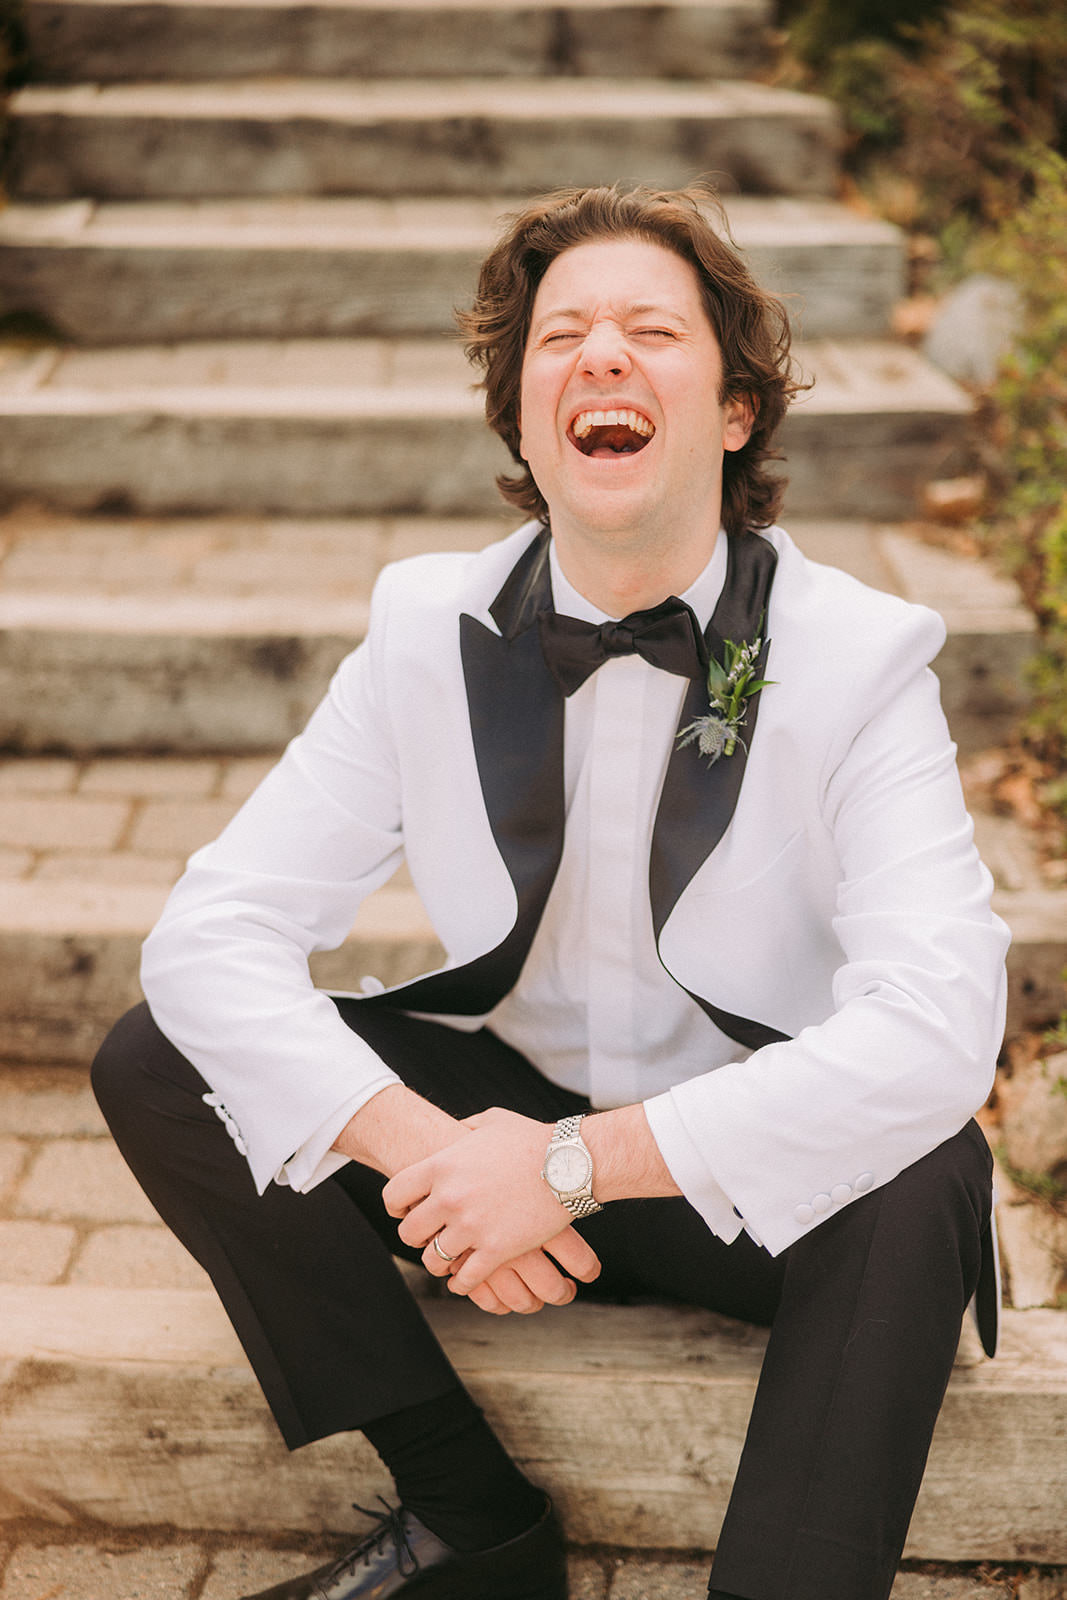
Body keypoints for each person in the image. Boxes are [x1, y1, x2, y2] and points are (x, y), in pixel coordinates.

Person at [91, 182, 1009, 1600]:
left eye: (653, 330)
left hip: (738, 1176)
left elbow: (941, 1026)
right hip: (489, 1135)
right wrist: (427, 1154)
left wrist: (568, 1170)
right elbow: (213, 935)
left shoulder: (858, 654)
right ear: (524, 419)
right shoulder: (422, 628)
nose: (601, 355)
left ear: (736, 412)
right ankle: (472, 1522)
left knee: (927, 1169)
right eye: (561, 336)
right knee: (167, 1058)